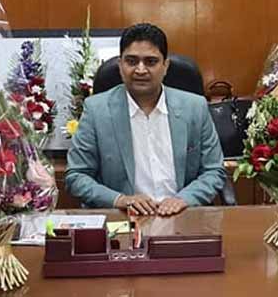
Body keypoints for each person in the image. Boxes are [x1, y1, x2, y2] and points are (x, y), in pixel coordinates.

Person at [66, 23, 226, 216]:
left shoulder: (195, 107)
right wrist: (120, 200)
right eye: (132, 61)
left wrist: (184, 199)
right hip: (125, 219)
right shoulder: (96, 110)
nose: (140, 70)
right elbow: (77, 176)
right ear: (120, 65)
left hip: (183, 215)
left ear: (165, 66)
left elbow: (213, 171)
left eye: (151, 62)